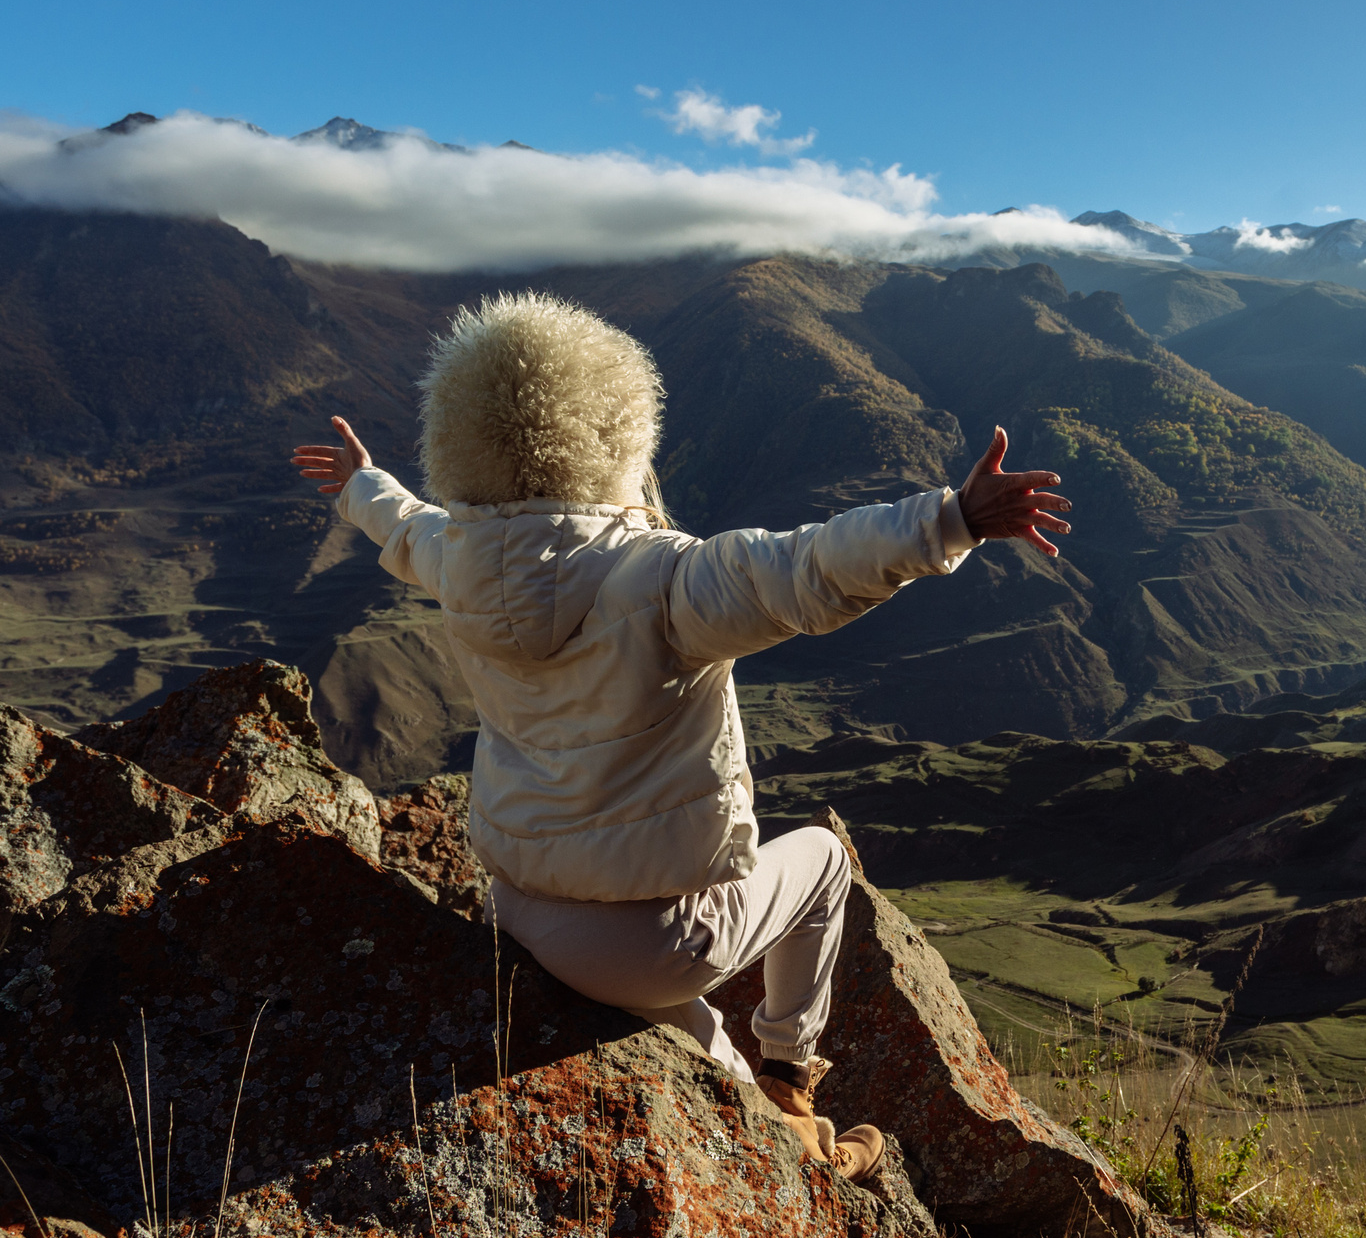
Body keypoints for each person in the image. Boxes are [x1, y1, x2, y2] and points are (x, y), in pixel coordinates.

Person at [290, 291, 1071, 1180]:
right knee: (820, 861)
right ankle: (790, 1079)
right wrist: (952, 518)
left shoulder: (461, 561)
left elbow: (405, 526)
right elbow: (805, 569)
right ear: (614, 432)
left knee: (706, 1060)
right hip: (657, 941)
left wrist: (361, 482)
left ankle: (784, 1140)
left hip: (523, 911)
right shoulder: (657, 577)